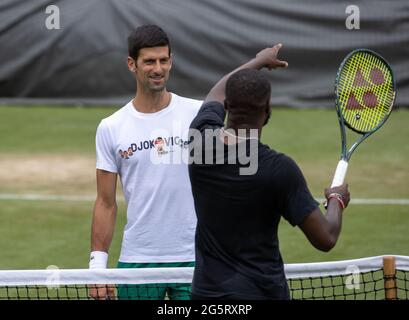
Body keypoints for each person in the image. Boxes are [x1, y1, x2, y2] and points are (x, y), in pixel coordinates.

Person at [188, 44, 350, 300]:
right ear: (267, 111)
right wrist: (336, 200)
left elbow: (215, 93)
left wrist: (258, 60)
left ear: (228, 106)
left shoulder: (199, 143)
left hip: (206, 296)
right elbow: (326, 237)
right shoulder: (280, 170)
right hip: (261, 293)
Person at [89, 25, 202, 300]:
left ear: (171, 61)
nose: (158, 68)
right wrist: (97, 269)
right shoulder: (111, 127)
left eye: (164, 60)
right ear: (132, 64)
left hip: (196, 259)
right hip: (138, 261)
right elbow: (105, 202)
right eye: (149, 61)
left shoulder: (198, 114)